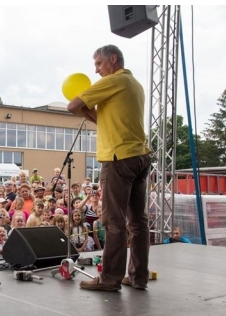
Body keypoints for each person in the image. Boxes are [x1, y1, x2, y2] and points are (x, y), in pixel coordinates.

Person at [67, 44, 152, 291]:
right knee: (138, 222)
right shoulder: (133, 83)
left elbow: (71, 106)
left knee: (113, 221)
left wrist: (83, 108)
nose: (96, 71)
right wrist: (91, 114)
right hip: (139, 156)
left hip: (118, 158)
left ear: (112, 59)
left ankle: (109, 279)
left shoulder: (113, 81)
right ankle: (138, 277)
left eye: (98, 64)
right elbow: (104, 118)